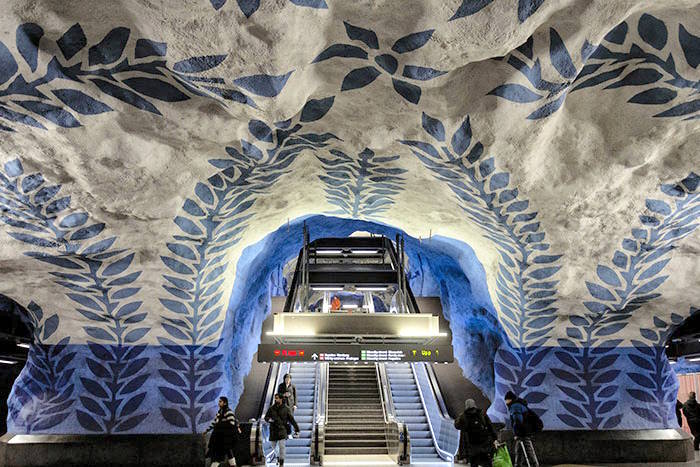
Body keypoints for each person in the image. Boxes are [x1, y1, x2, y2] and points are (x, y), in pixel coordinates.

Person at [454, 398, 497, 466]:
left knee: (474, 463)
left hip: (472, 446)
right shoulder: (481, 413)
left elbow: (457, 426)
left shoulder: (464, 416)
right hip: (484, 444)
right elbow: (490, 426)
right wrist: (495, 438)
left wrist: (460, 417)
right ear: (474, 404)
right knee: (487, 463)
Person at [505, 391, 539, 467]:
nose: (505, 402)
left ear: (510, 399)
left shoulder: (515, 406)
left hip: (523, 432)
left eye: (506, 400)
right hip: (525, 430)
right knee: (519, 449)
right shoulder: (519, 405)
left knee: (527, 450)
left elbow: (517, 421)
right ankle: (518, 464)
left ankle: (534, 464)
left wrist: (517, 433)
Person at [203, 396, 240, 466]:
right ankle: (233, 465)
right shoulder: (220, 412)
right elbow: (215, 423)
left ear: (225, 403)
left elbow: (232, 423)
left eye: (220, 401)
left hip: (225, 437)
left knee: (219, 454)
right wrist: (207, 430)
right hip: (221, 437)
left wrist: (221, 424)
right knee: (228, 451)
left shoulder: (228, 412)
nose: (219, 403)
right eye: (219, 401)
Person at [265, 393, 300, 466]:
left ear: (281, 399)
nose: (276, 399)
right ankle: (278, 456)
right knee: (273, 445)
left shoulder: (286, 408)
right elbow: (266, 417)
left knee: (282, 446)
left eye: (277, 398)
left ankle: (281, 462)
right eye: (275, 398)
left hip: (282, 429)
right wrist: (269, 420)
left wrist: (297, 429)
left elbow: (291, 419)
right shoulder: (271, 408)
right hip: (273, 430)